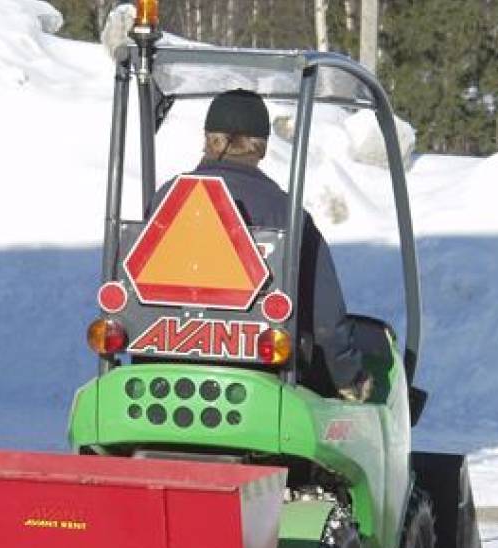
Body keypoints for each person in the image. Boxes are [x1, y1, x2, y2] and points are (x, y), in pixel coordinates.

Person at [152, 89, 370, 401]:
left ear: (208, 139)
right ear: (262, 147)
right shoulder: (286, 213)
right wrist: (349, 377)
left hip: (163, 362)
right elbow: (325, 322)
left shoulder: (167, 199)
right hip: (262, 375)